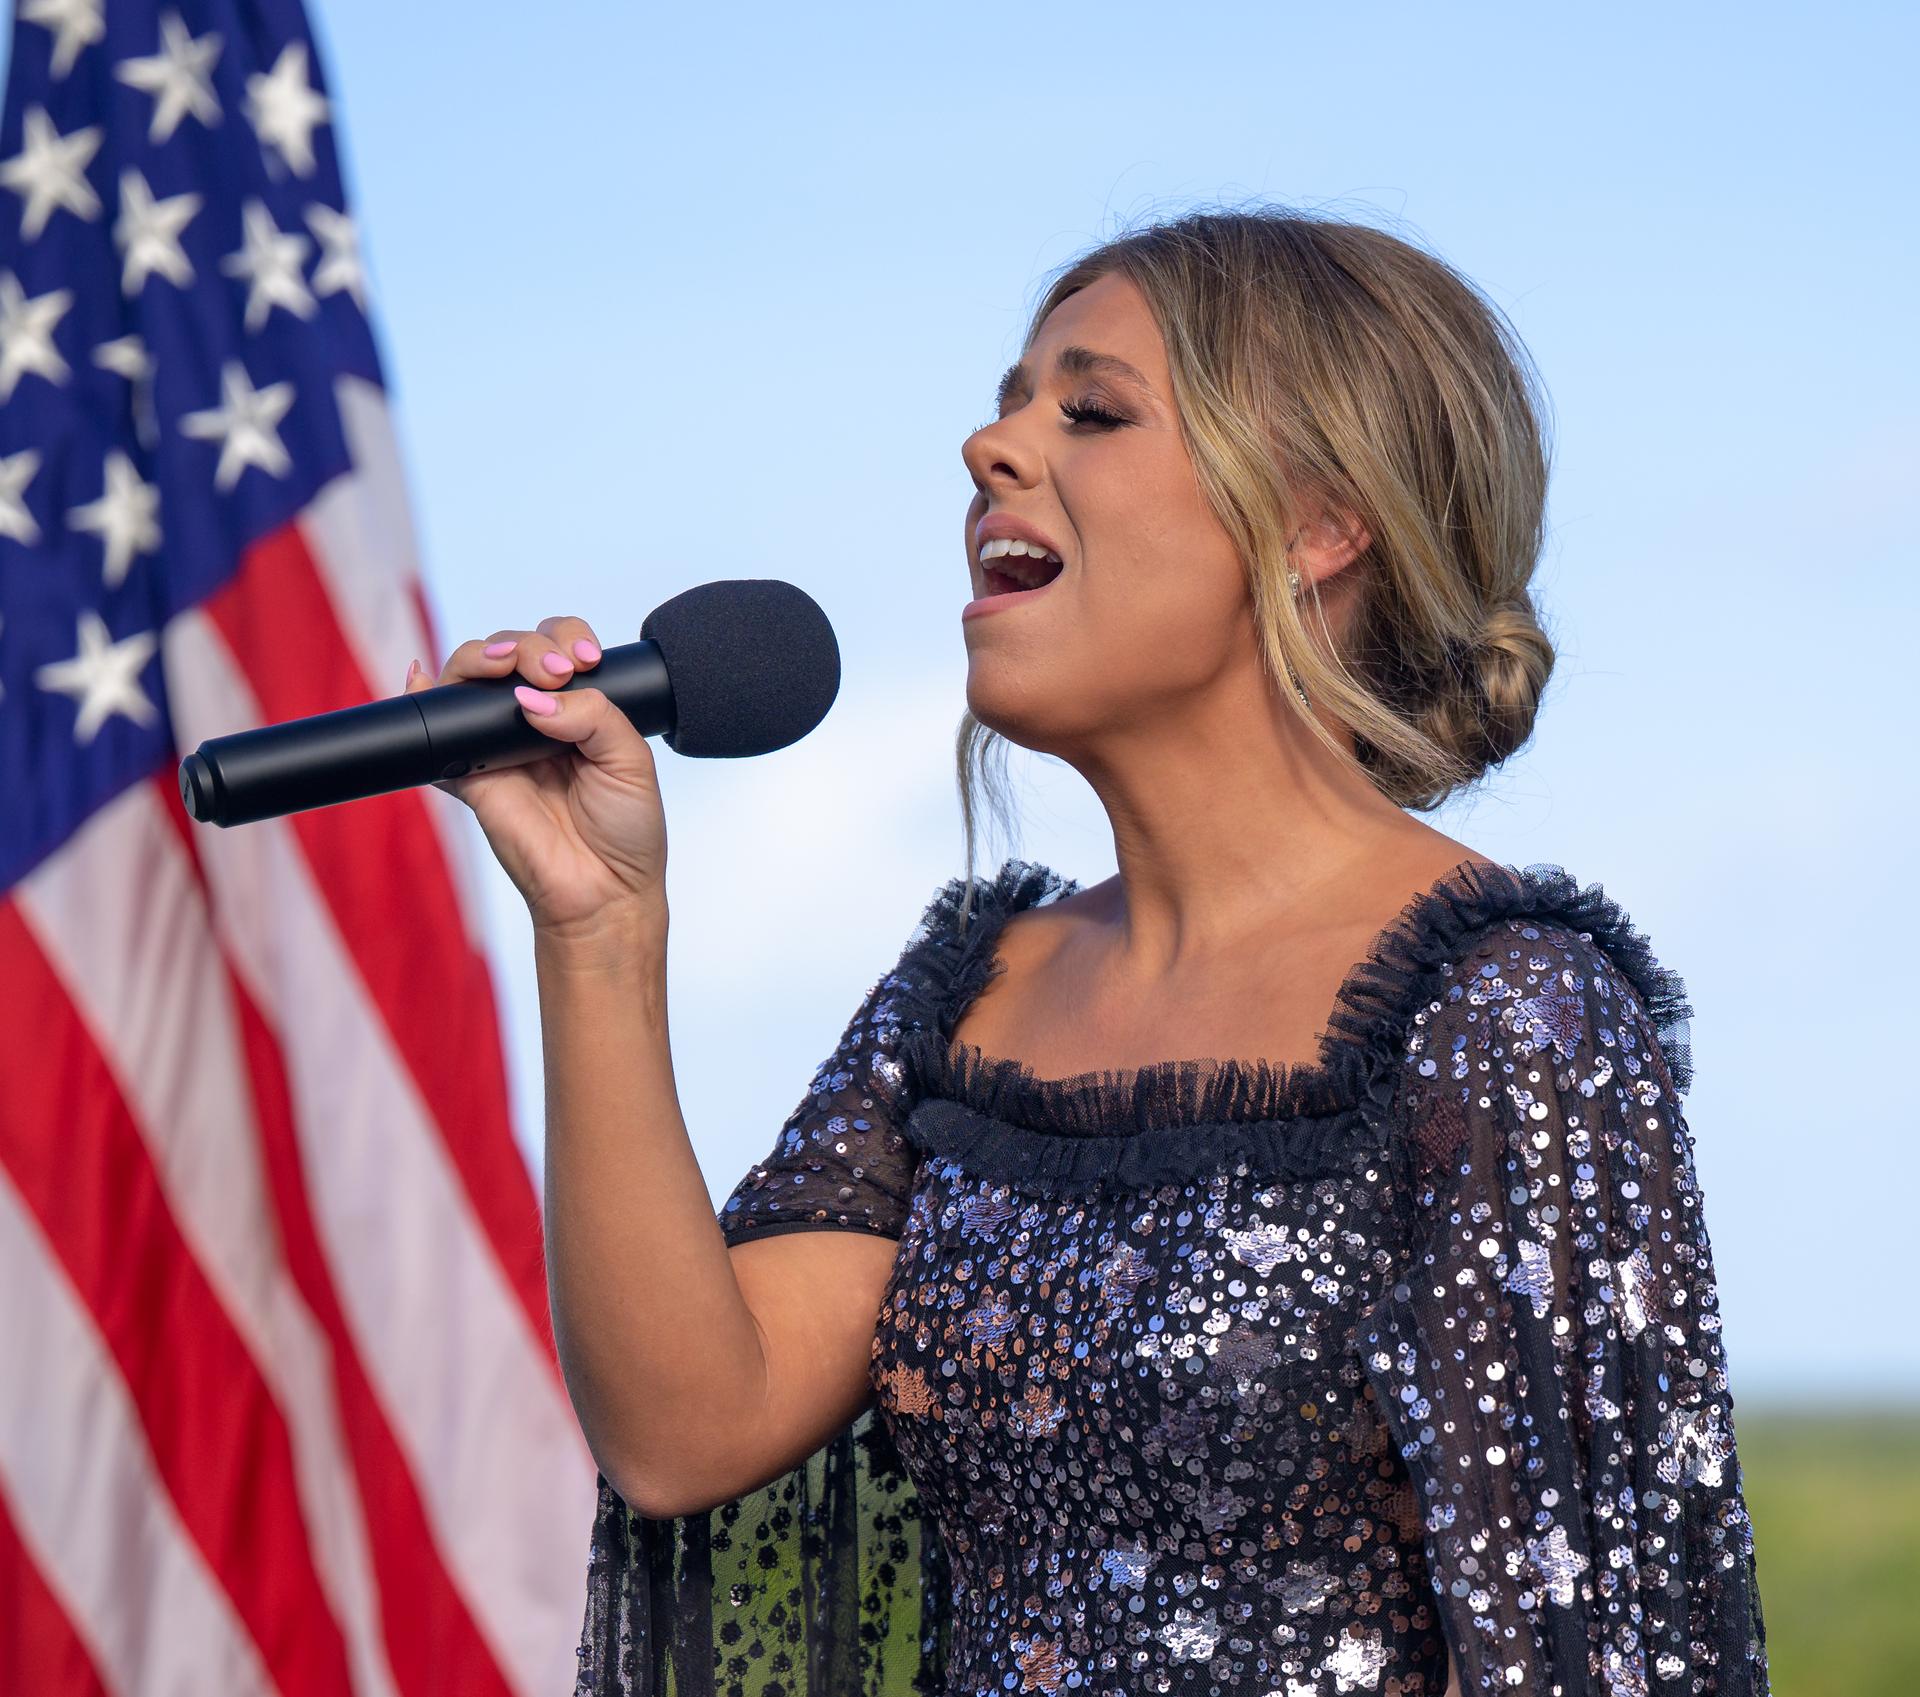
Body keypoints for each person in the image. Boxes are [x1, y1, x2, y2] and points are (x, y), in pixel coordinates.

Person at [410, 207, 1770, 1695]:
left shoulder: (1502, 1009)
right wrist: (597, 926)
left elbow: (1595, 1649)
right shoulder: (969, 993)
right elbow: (683, 1426)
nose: (990, 448)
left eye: (1091, 408)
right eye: (1007, 401)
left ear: (1322, 523)